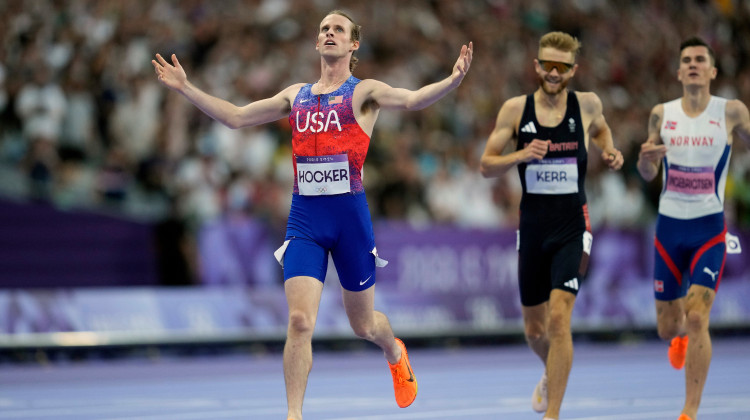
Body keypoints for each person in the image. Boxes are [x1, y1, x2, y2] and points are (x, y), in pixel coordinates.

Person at [152, 10, 473, 420]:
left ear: (353, 44)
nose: (329, 32)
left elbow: (411, 100)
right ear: (317, 42)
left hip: (350, 220)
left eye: (338, 29)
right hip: (305, 220)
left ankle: (394, 350)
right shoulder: (296, 95)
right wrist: (186, 88)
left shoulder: (364, 92)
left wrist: (453, 81)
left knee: (363, 326)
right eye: (323, 28)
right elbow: (234, 117)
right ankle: (294, 414)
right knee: (300, 322)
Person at [479, 31, 623, 420]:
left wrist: (608, 150)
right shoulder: (515, 110)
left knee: (560, 319)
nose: (554, 72)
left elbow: (601, 129)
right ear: (537, 66)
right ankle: (550, 371)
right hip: (533, 228)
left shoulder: (588, 104)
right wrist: (523, 153)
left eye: (562, 66)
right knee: (535, 331)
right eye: (547, 64)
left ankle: (553, 413)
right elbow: (486, 165)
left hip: (574, 227)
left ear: (573, 70)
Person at [636, 36, 750, 420]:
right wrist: (645, 162)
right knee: (668, 328)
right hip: (669, 229)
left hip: (709, 230)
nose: (693, 64)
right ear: (679, 70)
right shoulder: (661, 114)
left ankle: (690, 410)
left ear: (713, 71)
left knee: (699, 314)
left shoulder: (730, 111)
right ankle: (679, 337)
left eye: (701, 59)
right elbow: (647, 171)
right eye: (686, 60)